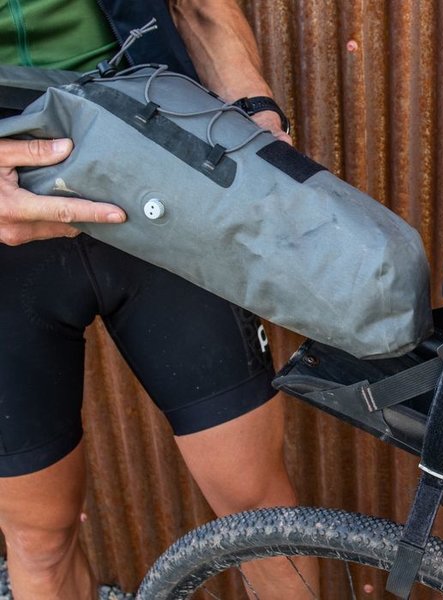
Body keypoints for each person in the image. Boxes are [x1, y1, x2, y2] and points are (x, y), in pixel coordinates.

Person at [0, 1, 318, 598]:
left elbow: (198, 7)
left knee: (260, 514)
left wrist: (256, 116)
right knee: (40, 542)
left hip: (159, 165)